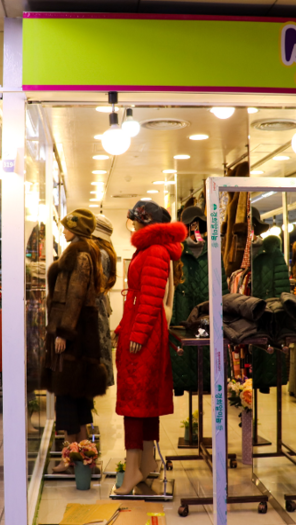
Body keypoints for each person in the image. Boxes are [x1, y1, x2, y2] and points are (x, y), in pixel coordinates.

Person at [114, 200, 186, 495]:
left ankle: (134, 470)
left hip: (144, 334)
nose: (133, 225)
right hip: (140, 329)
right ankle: (146, 463)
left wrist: (138, 332)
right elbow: (142, 297)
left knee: (135, 400)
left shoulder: (154, 251)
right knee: (142, 401)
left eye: (136, 221)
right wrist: (124, 327)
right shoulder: (150, 250)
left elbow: (153, 297)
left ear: (146, 224)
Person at [42, 209, 108, 471]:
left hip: (73, 337)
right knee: (77, 398)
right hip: (79, 334)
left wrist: (63, 332)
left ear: (76, 229)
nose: (63, 229)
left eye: (67, 226)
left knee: (67, 399)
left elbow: (76, 296)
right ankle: (83, 457)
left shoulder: (80, 255)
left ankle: (69, 458)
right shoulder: (81, 252)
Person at [92, 214, 116, 388]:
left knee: (98, 351)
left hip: (95, 310)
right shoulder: (104, 252)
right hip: (98, 309)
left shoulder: (100, 254)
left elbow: (95, 287)